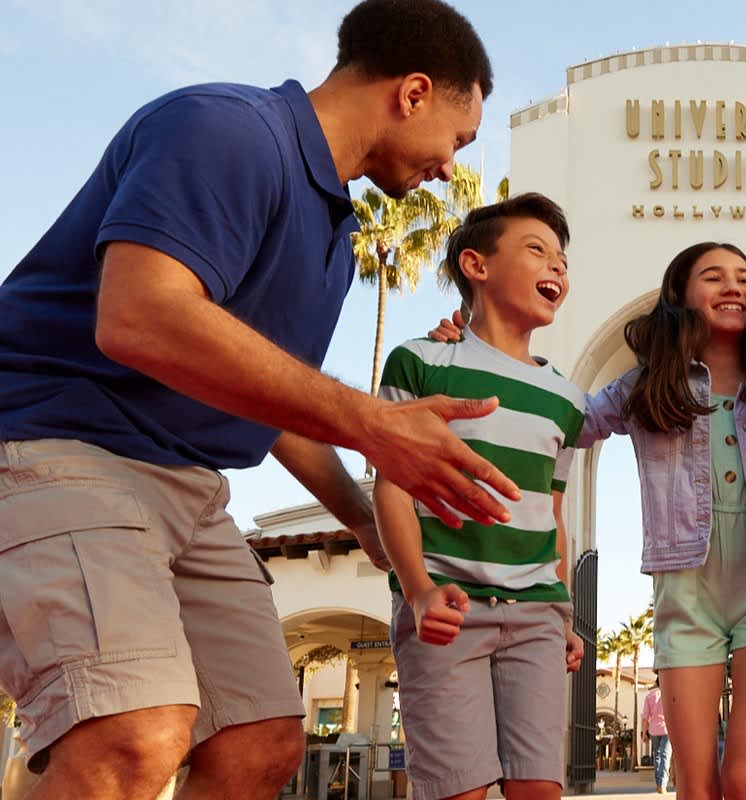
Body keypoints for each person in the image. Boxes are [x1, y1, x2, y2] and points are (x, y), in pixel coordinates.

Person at [0, 3, 517, 800]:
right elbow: (139, 314)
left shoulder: (335, 243)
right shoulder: (225, 128)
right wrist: (375, 425)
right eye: (461, 138)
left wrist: (365, 524)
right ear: (413, 92)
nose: (452, 166)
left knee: (259, 742)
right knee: (129, 732)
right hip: (60, 444)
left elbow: (270, 400)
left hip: (192, 485)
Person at [431, 241, 746, 800]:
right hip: (686, 601)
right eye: (714, 277)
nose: (733, 287)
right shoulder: (648, 385)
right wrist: (473, 356)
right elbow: (565, 418)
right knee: (695, 785)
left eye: (745, 278)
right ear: (680, 296)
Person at [374, 193, 586, 800]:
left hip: (538, 619)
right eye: (536, 250)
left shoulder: (565, 399)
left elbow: (552, 511)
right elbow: (391, 487)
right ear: (476, 265)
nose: (557, 269)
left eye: (563, 261)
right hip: (447, 611)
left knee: (539, 790)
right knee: (456, 792)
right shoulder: (419, 363)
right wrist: (416, 591)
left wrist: (565, 614)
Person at [643, 676, 672, 793]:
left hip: (654, 730)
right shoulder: (670, 695)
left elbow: (645, 717)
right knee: (665, 755)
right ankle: (662, 784)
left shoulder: (649, 696)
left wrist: (644, 733)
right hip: (667, 730)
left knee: (657, 756)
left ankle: (659, 783)